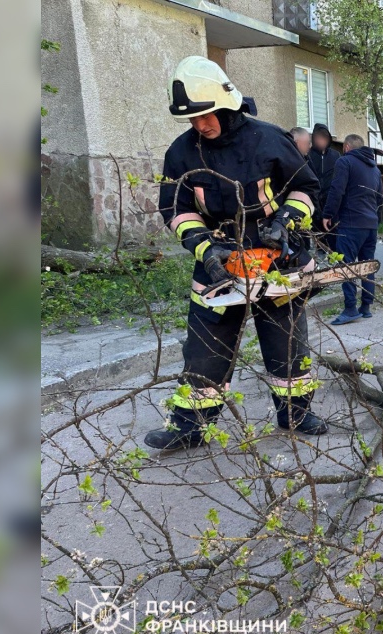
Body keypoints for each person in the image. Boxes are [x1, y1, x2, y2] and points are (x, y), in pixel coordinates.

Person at [145, 55, 329, 451]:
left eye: (206, 115)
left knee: (286, 340)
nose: (201, 125)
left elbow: (306, 188)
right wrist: (206, 248)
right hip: (218, 260)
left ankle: (296, 412)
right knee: (205, 346)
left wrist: (285, 222)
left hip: (278, 257)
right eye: (192, 119)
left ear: (225, 104)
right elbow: (176, 209)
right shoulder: (182, 152)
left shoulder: (268, 138)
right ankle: (191, 425)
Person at [322, 134, 383, 325]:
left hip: (351, 224)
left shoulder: (345, 162)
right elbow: (380, 198)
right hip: (370, 225)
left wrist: (328, 214)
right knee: (367, 265)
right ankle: (365, 307)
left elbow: (337, 189)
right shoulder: (374, 169)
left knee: (346, 266)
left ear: (347, 147)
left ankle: (350, 308)